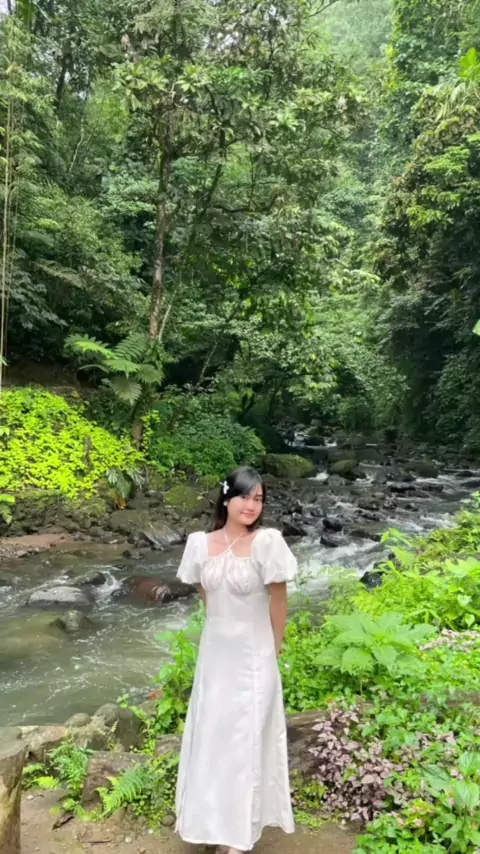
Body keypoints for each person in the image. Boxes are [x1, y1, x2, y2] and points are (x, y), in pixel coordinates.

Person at [175, 466, 297, 853]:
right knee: (213, 738)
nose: (252, 505)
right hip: (215, 657)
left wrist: (273, 650)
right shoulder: (200, 544)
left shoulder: (267, 542)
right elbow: (206, 592)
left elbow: (278, 601)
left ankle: (240, 836)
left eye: (259, 499)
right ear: (226, 498)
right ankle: (212, 824)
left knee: (246, 742)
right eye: (245, 496)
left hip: (254, 657)